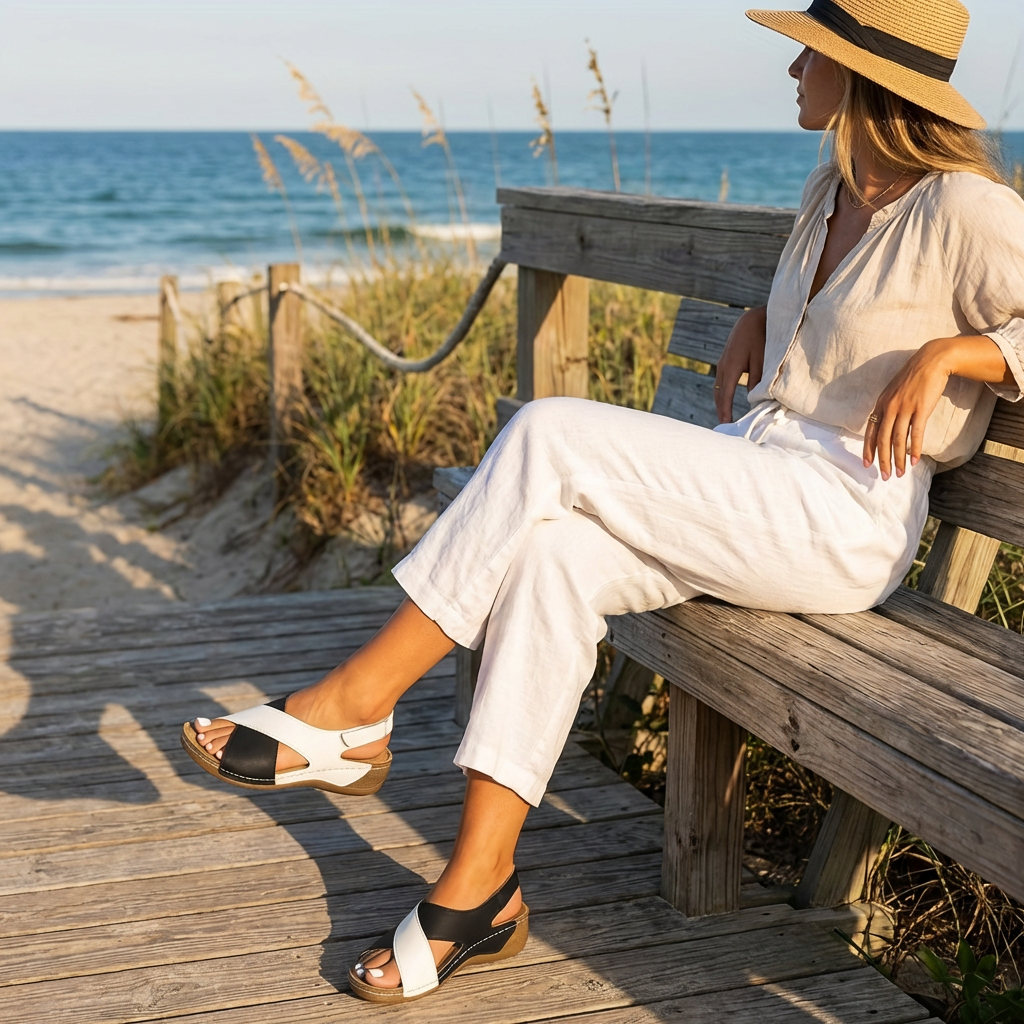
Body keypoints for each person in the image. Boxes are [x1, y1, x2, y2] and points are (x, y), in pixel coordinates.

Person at [181, 0, 1024, 1005]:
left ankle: (356, 708)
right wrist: (768, 310)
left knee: (548, 432)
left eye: (813, 51)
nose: (792, 66)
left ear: (868, 78)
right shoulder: (830, 189)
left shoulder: (964, 208)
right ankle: (477, 889)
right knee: (554, 557)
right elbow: (837, 320)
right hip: (756, 473)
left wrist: (956, 354)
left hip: (843, 512)